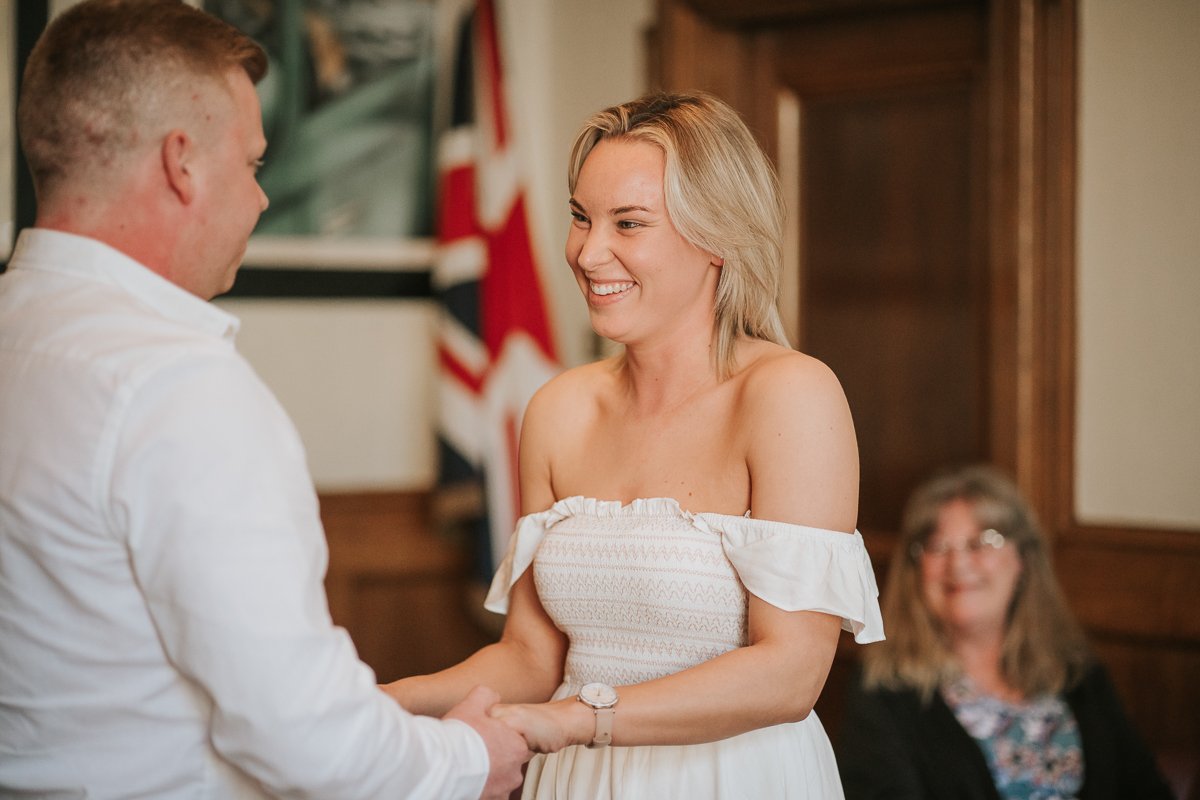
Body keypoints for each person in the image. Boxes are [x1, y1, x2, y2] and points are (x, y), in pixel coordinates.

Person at [0, 1, 529, 797]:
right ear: (182, 163)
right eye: (251, 165)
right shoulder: (177, 387)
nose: (261, 200)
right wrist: (466, 759)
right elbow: (301, 733)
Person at [382, 91, 885, 798]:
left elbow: (790, 675)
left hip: (730, 778)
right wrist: (387, 703)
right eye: (582, 218)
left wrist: (578, 720)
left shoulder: (790, 395)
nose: (589, 253)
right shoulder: (559, 409)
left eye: (629, 223)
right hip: (579, 777)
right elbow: (529, 656)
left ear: (717, 237)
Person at [836, 464, 1174, 800]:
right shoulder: (883, 690)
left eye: (982, 542)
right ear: (916, 570)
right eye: (937, 546)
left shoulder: (1078, 674)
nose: (958, 564)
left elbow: (1147, 789)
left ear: (1023, 558)